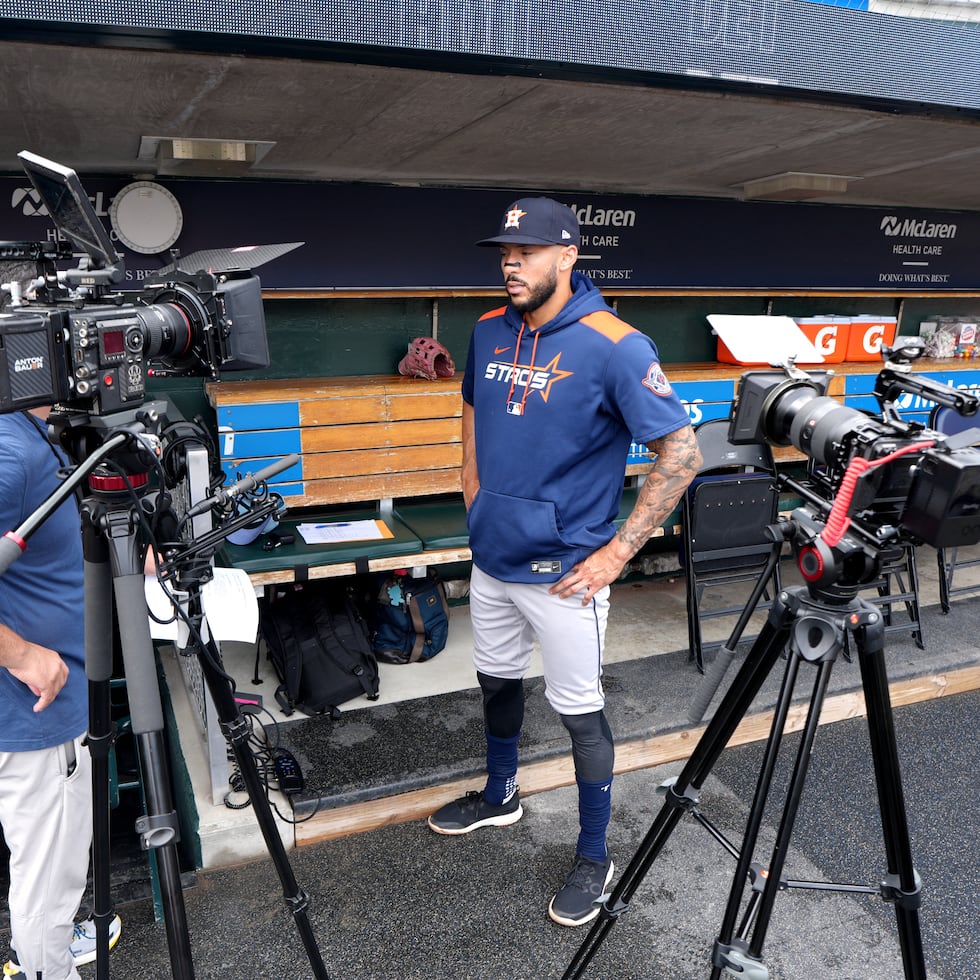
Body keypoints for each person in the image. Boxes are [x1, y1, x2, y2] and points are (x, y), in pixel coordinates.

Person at [428, 197, 702, 926]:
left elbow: (682, 452)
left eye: (526, 252)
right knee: (495, 684)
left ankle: (592, 852)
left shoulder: (616, 345)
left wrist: (617, 554)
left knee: (580, 714)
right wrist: (472, 490)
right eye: (503, 254)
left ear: (569, 256)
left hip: (566, 574)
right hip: (493, 558)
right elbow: (470, 409)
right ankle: (499, 795)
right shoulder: (489, 330)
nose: (510, 264)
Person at [0, 407, 118, 979]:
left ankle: (50, 944)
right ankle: (49, 966)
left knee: (51, 876)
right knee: (49, 880)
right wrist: (22, 656)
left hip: (49, 709)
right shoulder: (10, 451)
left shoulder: (26, 435)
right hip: (38, 714)